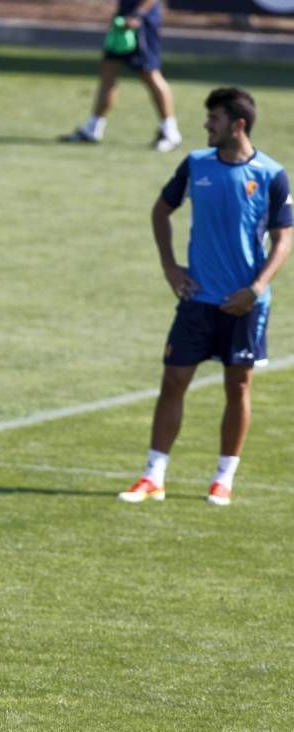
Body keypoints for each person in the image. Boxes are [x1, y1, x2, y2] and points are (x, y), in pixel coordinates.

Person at [118, 87, 292, 506]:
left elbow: (283, 238)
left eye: (213, 119)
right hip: (198, 299)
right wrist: (170, 267)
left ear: (238, 125)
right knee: (174, 379)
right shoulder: (196, 165)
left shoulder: (271, 174)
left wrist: (255, 289)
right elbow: (161, 211)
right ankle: (153, 475)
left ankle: (223, 478)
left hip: (244, 304)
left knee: (238, 387)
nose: (205, 125)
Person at [63, 0, 182, 151]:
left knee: (150, 74)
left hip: (141, 22)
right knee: (108, 71)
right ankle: (93, 129)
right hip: (123, 20)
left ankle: (171, 133)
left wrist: (138, 13)